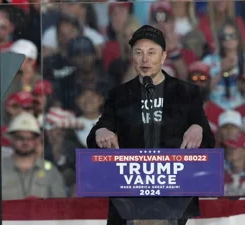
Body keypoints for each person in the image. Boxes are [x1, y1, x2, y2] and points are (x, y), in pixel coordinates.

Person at [87, 25, 215, 225]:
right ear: (132, 57)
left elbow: (208, 141)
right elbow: (96, 137)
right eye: (138, 53)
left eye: (151, 52)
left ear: (163, 56)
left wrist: (198, 127)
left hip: (174, 199)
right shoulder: (119, 95)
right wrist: (100, 131)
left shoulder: (186, 92)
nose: (144, 59)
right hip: (129, 201)